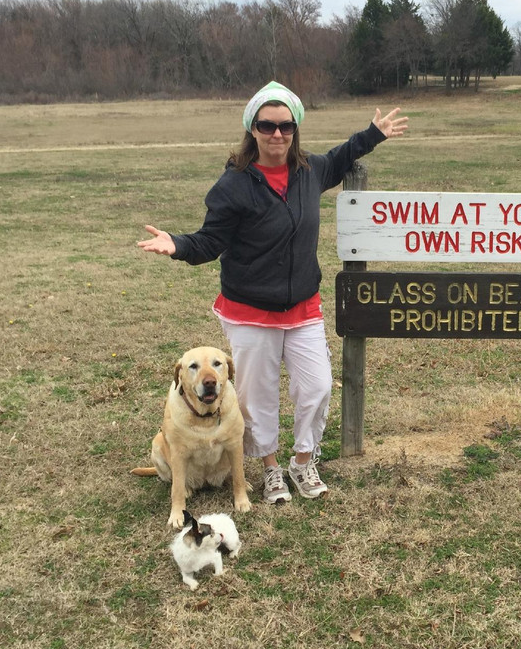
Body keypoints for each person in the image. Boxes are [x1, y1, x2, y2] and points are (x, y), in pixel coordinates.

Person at [138, 81, 408, 504]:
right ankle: (269, 468)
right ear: (253, 130)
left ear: (295, 128)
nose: (277, 134)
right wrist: (178, 244)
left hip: (302, 307)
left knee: (317, 387)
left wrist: (373, 134)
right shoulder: (234, 185)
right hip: (250, 312)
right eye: (267, 126)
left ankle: (303, 461)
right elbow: (210, 241)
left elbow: (341, 157)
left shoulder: (310, 171)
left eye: (286, 126)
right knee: (255, 397)